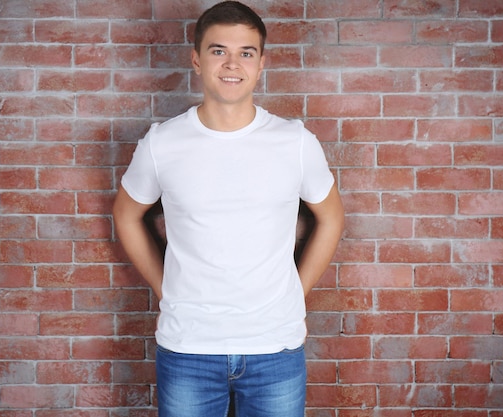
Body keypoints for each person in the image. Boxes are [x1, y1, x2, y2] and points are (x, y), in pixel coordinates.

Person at [112, 1, 344, 416]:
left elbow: (331, 217)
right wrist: (166, 288)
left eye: (246, 53)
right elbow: (126, 215)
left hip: (275, 347)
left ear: (261, 64)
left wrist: (297, 291)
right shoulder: (162, 143)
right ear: (197, 60)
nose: (232, 64)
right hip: (188, 348)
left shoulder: (295, 142)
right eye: (219, 51)